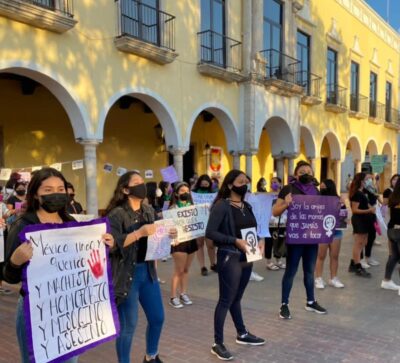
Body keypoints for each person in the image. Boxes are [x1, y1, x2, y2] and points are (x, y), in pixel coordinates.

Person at [2, 167, 114, 363]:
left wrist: (105, 246)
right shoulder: (23, 226)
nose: (56, 193)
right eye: (48, 190)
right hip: (36, 312)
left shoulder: (70, 222)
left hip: (69, 310)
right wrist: (15, 261)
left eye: (61, 189)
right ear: (36, 195)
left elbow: (84, 263)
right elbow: (9, 276)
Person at [106, 171, 176, 363]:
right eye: (136, 182)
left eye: (142, 181)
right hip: (127, 275)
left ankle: (151, 356)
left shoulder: (148, 210)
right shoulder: (116, 214)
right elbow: (111, 245)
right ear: (125, 189)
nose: (142, 185)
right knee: (129, 326)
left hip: (147, 272)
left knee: (157, 318)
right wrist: (139, 233)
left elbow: (156, 238)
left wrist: (169, 235)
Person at [206, 169, 265, 361]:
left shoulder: (246, 206)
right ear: (230, 185)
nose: (245, 185)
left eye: (246, 181)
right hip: (230, 257)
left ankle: (242, 333)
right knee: (226, 299)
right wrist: (234, 241)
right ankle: (217, 343)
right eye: (240, 182)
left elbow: (252, 229)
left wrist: (259, 241)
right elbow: (211, 232)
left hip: (247, 257)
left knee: (237, 298)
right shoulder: (222, 206)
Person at [272, 161, 327, 320]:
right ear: (296, 174)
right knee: (291, 271)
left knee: (310, 271)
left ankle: (311, 301)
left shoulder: (316, 191)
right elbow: (275, 211)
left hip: (312, 238)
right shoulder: (288, 189)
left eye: (308, 171)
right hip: (295, 237)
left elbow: (321, 212)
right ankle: (284, 304)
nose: (305, 174)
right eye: (302, 171)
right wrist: (286, 204)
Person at [168, 182, 198, 308]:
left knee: (186, 269)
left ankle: (183, 293)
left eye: (187, 190)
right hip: (179, 242)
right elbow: (169, 225)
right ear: (176, 193)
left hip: (191, 240)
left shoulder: (194, 207)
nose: (185, 193)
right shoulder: (173, 208)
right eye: (182, 191)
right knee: (178, 270)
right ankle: (173, 296)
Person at [315, 179, 346, 289]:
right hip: (321, 231)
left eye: (324, 187)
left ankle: (333, 278)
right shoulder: (317, 200)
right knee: (321, 256)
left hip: (336, 232)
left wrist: (342, 204)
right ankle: (318, 278)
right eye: (321, 187)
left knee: (335, 256)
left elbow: (343, 216)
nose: (322, 189)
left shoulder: (338, 200)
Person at [348, 172, 375, 278]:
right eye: (365, 180)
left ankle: (353, 262)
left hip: (365, 220)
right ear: (360, 181)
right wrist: (369, 210)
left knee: (364, 241)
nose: (367, 181)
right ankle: (357, 266)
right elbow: (354, 210)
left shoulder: (361, 192)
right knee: (359, 243)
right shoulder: (356, 193)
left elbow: (366, 203)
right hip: (359, 220)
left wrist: (371, 208)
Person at [192, 175, 217, 276]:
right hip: (198, 221)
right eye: (203, 182)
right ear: (199, 183)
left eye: (206, 182)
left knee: (211, 245)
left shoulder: (214, 194)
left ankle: (213, 263)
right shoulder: (193, 193)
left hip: (210, 221)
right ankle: (202, 266)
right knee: (199, 244)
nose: (204, 184)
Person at [381, 177, 400, 292]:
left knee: (394, 256)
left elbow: (390, 214)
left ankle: (386, 281)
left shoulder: (393, 197)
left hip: (392, 230)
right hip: (398, 230)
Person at [265, 177, 286, 270]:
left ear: (280, 183)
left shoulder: (284, 195)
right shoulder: (267, 195)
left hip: (281, 222)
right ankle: (269, 262)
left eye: (275, 182)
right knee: (269, 242)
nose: (273, 184)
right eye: (272, 182)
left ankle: (278, 260)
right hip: (270, 222)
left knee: (280, 241)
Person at [360, 173, 381, 267]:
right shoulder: (360, 190)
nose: (368, 180)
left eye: (370, 178)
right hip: (363, 215)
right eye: (366, 179)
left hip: (372, 214)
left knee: (372, 236)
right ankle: (360, 259)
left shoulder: (371, 189)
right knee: (362, 239)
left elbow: (376, 197)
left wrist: (376, 185)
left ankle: (368, 257)